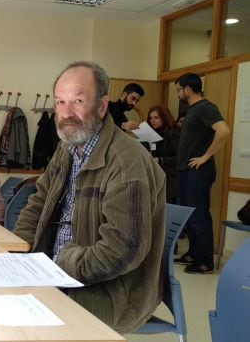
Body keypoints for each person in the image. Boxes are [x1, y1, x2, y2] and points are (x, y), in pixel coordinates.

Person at [13, 61, 166, 334]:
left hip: (105, 293)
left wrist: (60, 265)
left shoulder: (125, 162)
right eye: (60, 102)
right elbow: (38, 202)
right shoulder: (67, 147)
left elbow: (123, 251)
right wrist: (19, 254)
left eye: (78, 101)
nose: (66, 113)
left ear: (102, 106)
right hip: (53, 275)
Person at [173, 72, 230, 274]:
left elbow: (223, 130)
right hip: (187, 172)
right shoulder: (193, 110)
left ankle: (205, 261)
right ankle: (194, 254)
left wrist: (205, 157)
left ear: (188, 89)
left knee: (199, 216)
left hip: (197, 172)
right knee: (190, 215)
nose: (178, 94)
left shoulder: (206, 107)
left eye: (179, 90)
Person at [147, 105, 181, 204]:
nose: (153, 120)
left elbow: (181, 158)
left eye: (156, 118)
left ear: (164, 117)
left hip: (171, 179)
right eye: (151, 118)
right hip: (157, 177)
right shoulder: (153, 133)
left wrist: (161, 159)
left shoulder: (174, 133)